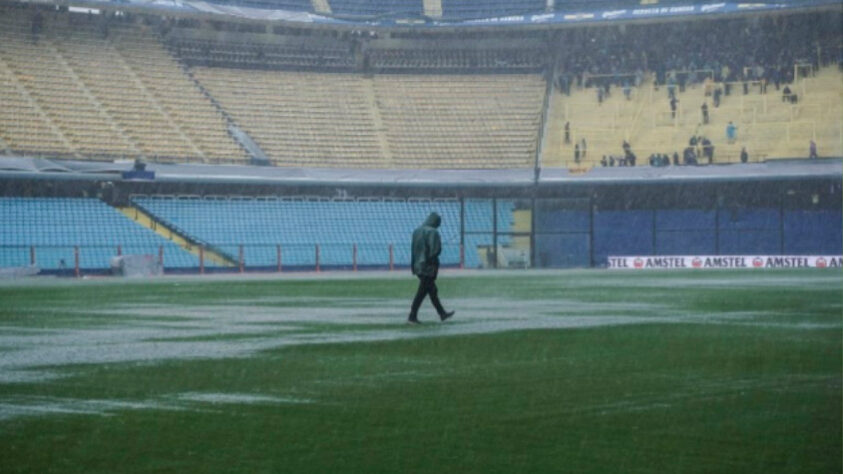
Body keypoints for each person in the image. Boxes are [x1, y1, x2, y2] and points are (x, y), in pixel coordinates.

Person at [408, 212, 454, 325]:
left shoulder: (416, 231)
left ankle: (442, 313)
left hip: (418, 265)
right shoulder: (433, 232)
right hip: (428, 266)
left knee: (431, 291)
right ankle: (412, 316)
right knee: (422, 292)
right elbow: (435, 250)